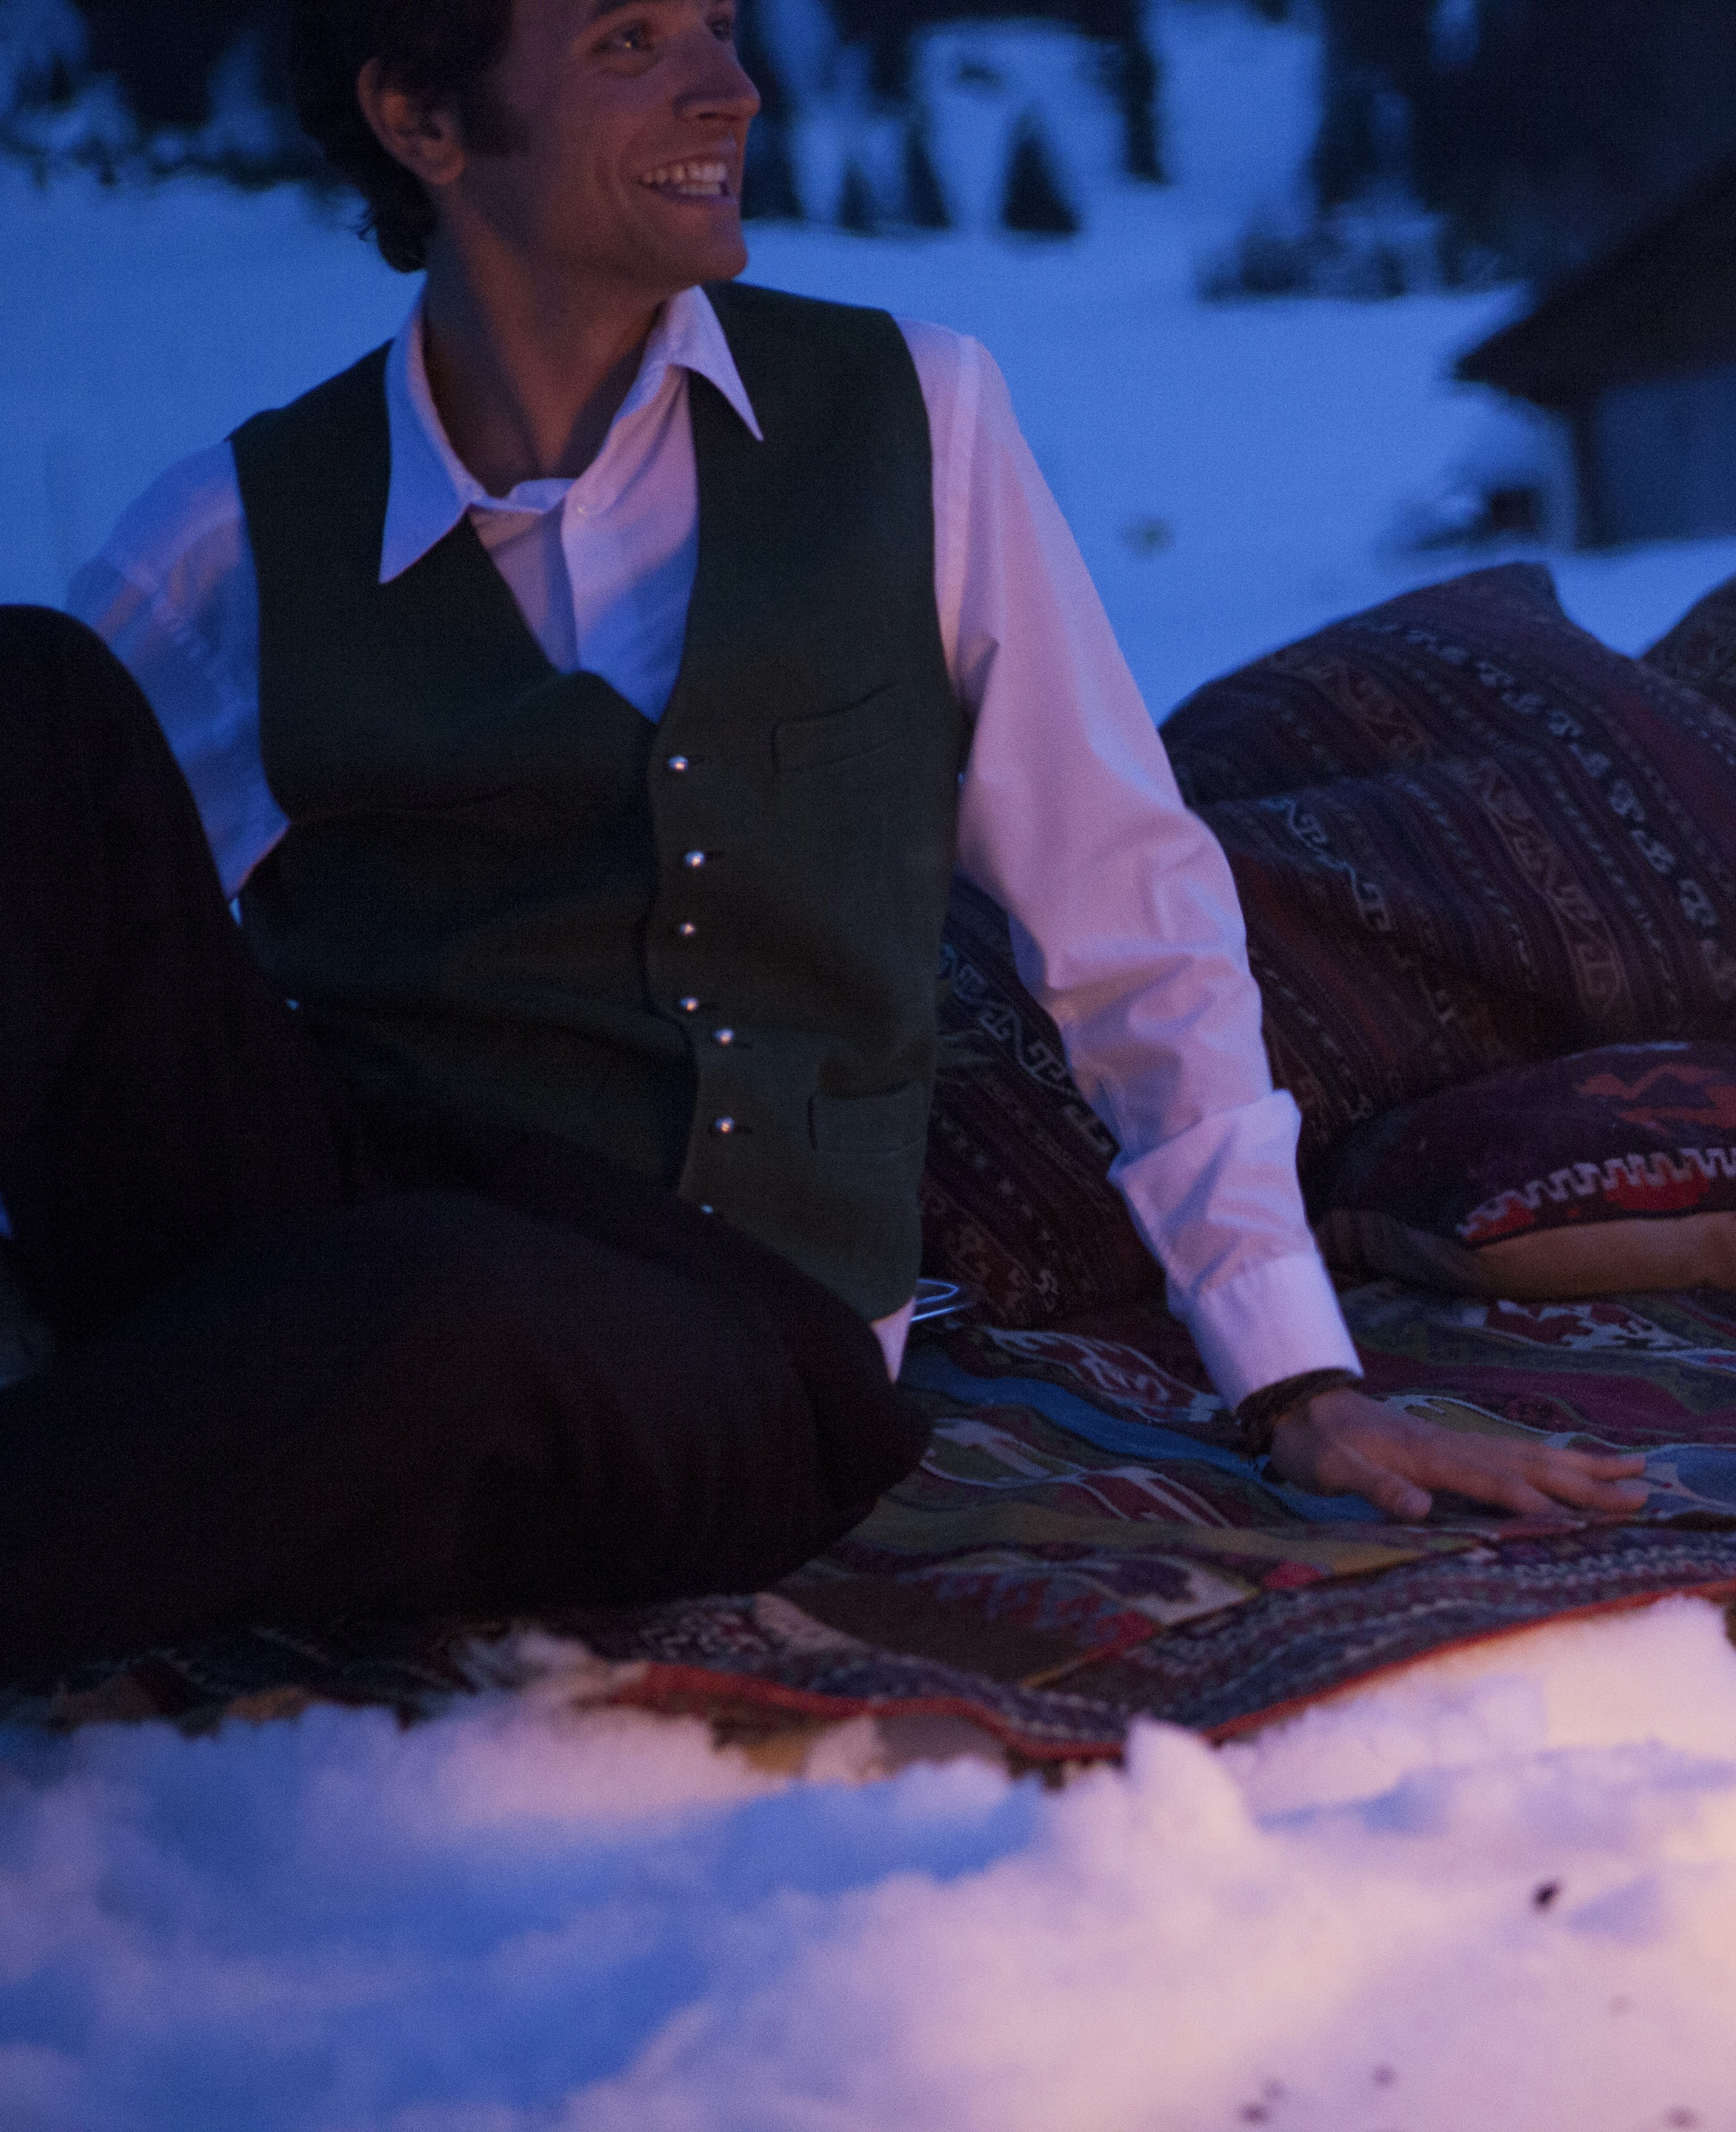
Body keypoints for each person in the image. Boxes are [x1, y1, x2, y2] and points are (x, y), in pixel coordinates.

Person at [0, 0, 1643, 1679]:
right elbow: (83, 952)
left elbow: (1124, 903)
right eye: (632, 44)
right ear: (423, 118)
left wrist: (1297, 1371)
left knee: (443, 1303)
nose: (732, 88)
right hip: (344, 1228)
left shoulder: (909, 418)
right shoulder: (245, 532)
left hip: (728, 1339)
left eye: (719, 25)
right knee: (30, 696)